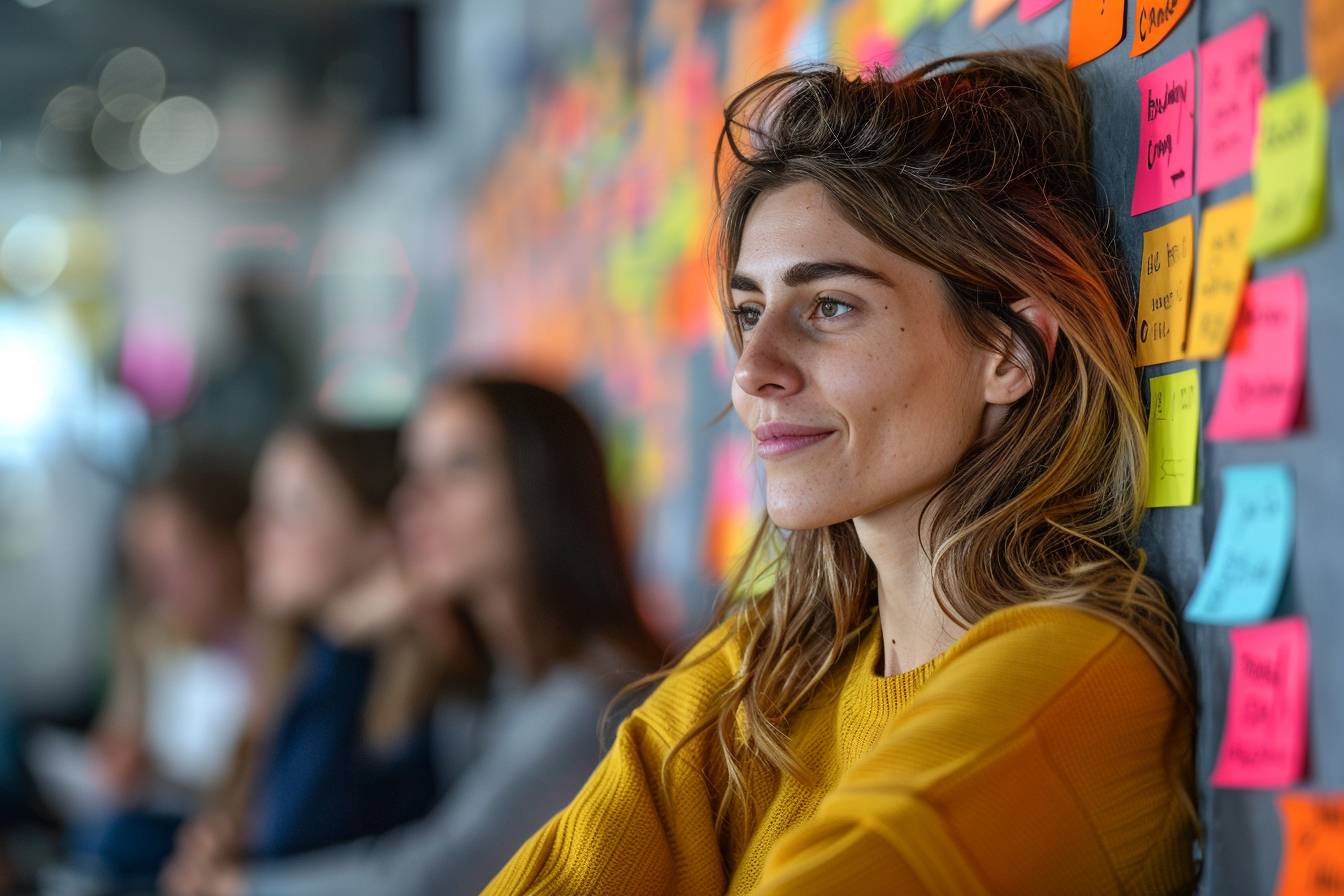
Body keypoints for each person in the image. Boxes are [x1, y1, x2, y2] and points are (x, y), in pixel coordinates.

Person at [484, 49, 1201, 895]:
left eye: (829, 307)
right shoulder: (774, 661)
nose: (754, 367)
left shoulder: (1079, 677)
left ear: (1006, 353)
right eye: (750, 311)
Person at [184, 376, 662, 896]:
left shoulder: (595, 696)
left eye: (460, 466)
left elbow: (440, 877)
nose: (415, 500)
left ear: (543, 486)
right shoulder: (490, 681)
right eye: (414, 472)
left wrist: (238, 888)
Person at [162, 422, 454, 894]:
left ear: (380, 530)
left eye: (293, 508)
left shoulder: (419, 688)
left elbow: (306, 829)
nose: (255, 531)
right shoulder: (304, 662)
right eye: (262, 507)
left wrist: (343, 641)